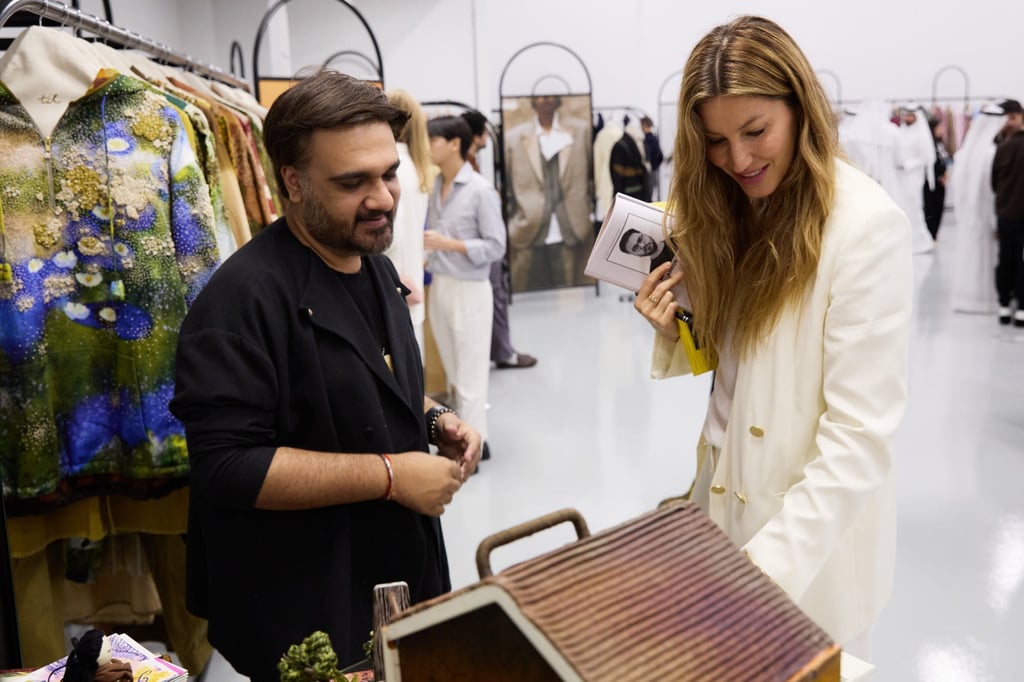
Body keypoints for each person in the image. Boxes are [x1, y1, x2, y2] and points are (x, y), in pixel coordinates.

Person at [169, 70, 482, 680]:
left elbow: (365, 374)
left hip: (387, 578)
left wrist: (435, 417)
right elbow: (230, 467)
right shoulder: (239, 304)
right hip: (304, 602)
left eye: (389, 173)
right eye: (352, 182)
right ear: (292, 180)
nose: (384, 198)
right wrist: (393, 476)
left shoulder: (369, 264)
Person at [633, 16, 911, 660]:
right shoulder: (735, 208)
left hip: (808, 551)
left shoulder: (865, 229)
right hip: (724, 514)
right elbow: (742, 366)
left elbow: (859, 439)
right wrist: (684, 322)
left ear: (801, 108)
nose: (739, 159)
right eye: (716, 141)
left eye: (756, 131)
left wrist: (763, 571)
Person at [424, 116, 506, 458]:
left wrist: (450, 244)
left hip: (470, 291)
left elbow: (496, 247)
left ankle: (475, 447)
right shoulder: (435, 188)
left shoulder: (480, 191)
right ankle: (468, 438)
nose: (428, 147)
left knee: (471, 374)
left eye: (433, 140)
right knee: (456, 372)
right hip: (441, 286)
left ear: (454, 143)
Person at [460, 109, 538, 369]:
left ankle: (501, 350)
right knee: (496, 296)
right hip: (481, 245)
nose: (487, 139)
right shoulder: (465, 167)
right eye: (484, 133)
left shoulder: (468, 165)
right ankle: (503, 352)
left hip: (479, 244)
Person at [504, 94, 594, 291]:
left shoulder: (580, 131)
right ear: (533, 100)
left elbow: (590, 176)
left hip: (572, 227)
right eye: (541, 96)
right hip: (528, 230)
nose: (546, 100)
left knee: (572, 297)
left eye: (551, 95)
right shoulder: (514, 138)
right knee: (530, 297)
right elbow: (508, 185)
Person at [385, 88, 436, 358]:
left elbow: (393, 234)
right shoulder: (416, 169)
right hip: (410, 278)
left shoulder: (393, 169)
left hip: (397, 281)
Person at [950, 103, 1005, 314]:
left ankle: (966, 297)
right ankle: (983, 300)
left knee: (969, 255)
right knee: (984, 256)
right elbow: (992, 188)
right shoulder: (991, 153)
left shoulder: (965, 153)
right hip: (984, 214)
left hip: (968, 216)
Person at [991, 98, 1024, 326]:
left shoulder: (1002, 148)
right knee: (1021, 260)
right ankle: (1021, 307)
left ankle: (1004, 305)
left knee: (1005, 258)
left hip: (1005, 213)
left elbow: (993, 183)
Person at [894, 103, 937, 253]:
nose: (907, 117)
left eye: (910, 115)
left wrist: (908, 165)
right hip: (900, 177)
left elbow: (926, 158)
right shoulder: (901, 132)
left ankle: (920, 241)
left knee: (914, 207)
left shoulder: (921, 135)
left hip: (913, 177)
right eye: (905, 114)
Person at [923, 116, 951, 240]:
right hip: (932, 183)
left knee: (939, 208)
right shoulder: (929, 145)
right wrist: (940, 174)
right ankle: (931, 234)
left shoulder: (940, 144)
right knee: (931, 209)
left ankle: (934, 234)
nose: (942, 130)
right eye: (940, 127)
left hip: (941, 183)